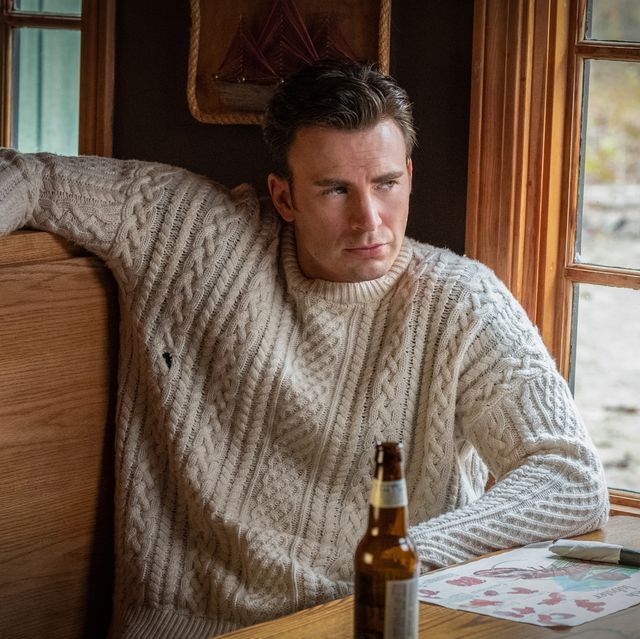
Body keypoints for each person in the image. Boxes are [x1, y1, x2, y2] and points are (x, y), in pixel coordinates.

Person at [0, 61, 608, 638]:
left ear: (409, 176)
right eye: (335, 190)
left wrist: (402, 552)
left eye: (387, 183)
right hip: (195, 630)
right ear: (284, 196)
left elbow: (569, 478)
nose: (369, 220)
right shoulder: (188, 231)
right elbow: (31, 176)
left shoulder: (463, 301)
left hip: (369, 622)